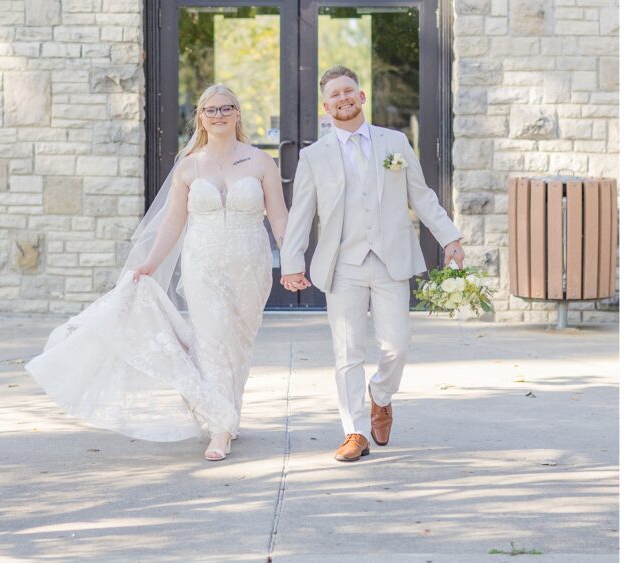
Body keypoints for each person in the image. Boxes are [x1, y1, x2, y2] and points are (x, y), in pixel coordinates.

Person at [26, 84, 290, 462]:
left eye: (226, 108)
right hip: (203, 264)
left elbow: (279, 215)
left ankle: (228, 412)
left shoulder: (260, 162)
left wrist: (292, 259)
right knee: (213, 341)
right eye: (210, 110)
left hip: (251, 266)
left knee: (238, 344)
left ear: (237, 113)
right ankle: (219, 427)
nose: (218, 115)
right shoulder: (189, 166)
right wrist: (149, 262)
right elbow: (172, 222)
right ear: (200, 117)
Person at [280, 66, 464, 463]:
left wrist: (449, 236)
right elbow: (300, 214)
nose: (343, 99)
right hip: (342, 264)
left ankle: (381, 395)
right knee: (347, 351)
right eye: (335, 95)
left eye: (349, 91)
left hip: (389, 260)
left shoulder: (394, 142)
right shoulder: (314, 156)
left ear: (361, 97)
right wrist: (291, 262)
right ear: (326, 106)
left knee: (396, 346)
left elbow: (422, 195)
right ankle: (355, 432)